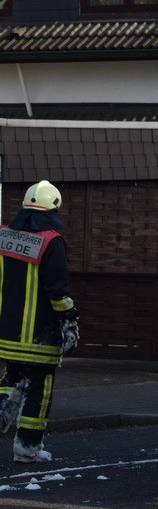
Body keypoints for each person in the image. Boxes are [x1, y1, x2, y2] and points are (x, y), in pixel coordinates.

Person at [0, 180, 79, 463]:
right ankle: (28, 448)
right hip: (39, 334)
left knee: (13, 376)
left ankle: (2, 404)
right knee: (39, 389)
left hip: (6, 333)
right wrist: (69, 320)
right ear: (55, 207)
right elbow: (57, 291)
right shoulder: (51, 241)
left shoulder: (2, 236)